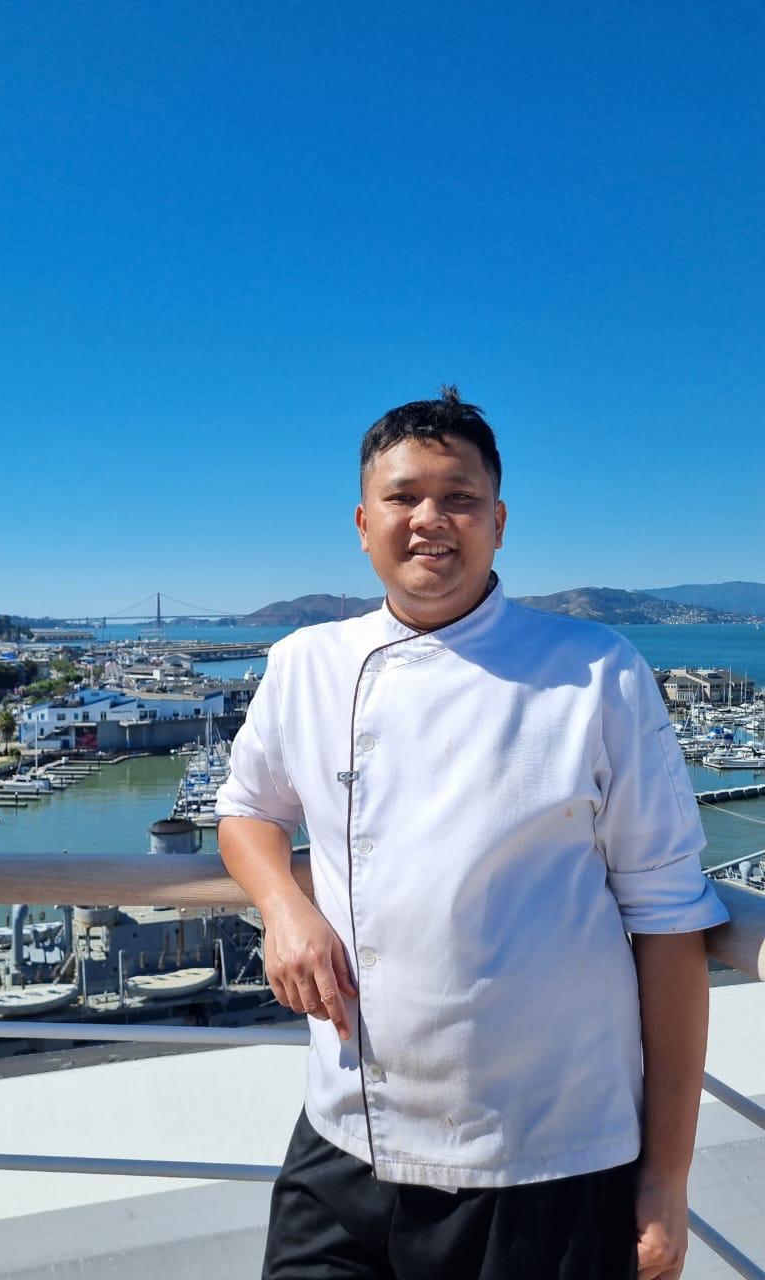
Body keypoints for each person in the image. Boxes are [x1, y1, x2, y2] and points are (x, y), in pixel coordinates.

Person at [215, 386, 729, 1280]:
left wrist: (666, 1174)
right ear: (361, 521)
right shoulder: (305, 663)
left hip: (547, 1160)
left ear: (498, 521)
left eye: (458, 499)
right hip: (345, 1138)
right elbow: (248, 809)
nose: (430, 520)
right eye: (403, 497)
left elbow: (671, 923)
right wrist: (282, 907)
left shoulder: (596, 670)